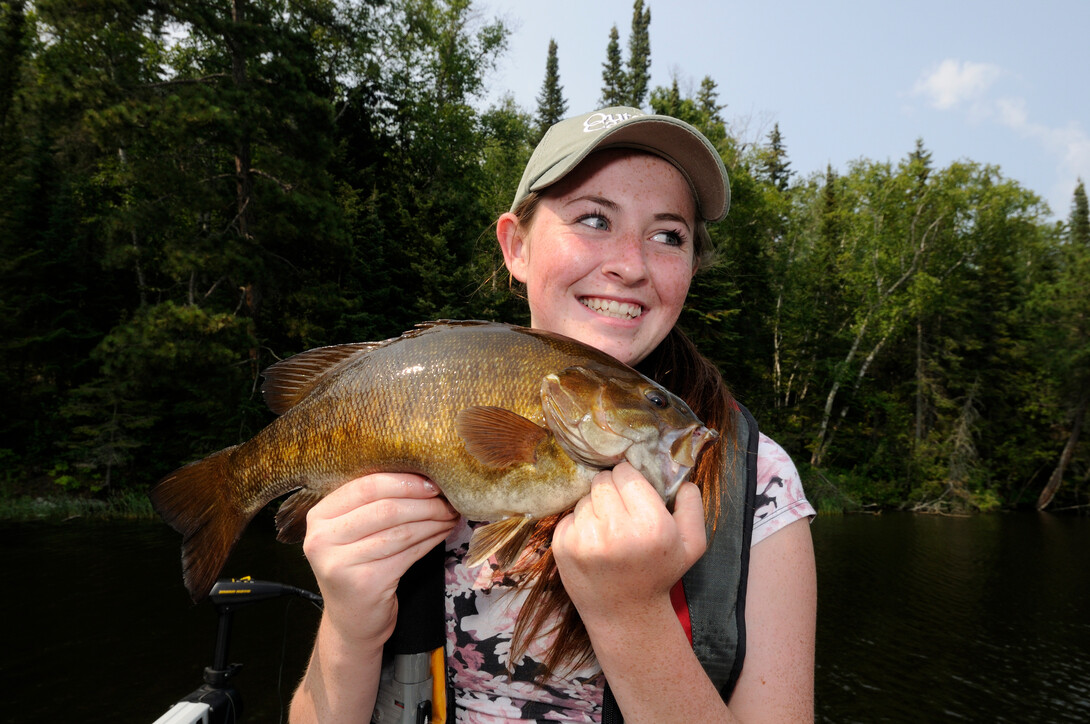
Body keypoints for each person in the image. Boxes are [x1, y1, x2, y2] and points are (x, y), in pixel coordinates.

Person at [289, 107, 817, 723]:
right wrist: (349, 631)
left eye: (668, 235)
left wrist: (632, 618)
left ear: (691, 268)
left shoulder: (758, 483)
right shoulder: (405, 417)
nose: (631, 264)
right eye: (594, 219)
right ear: (516, 246)